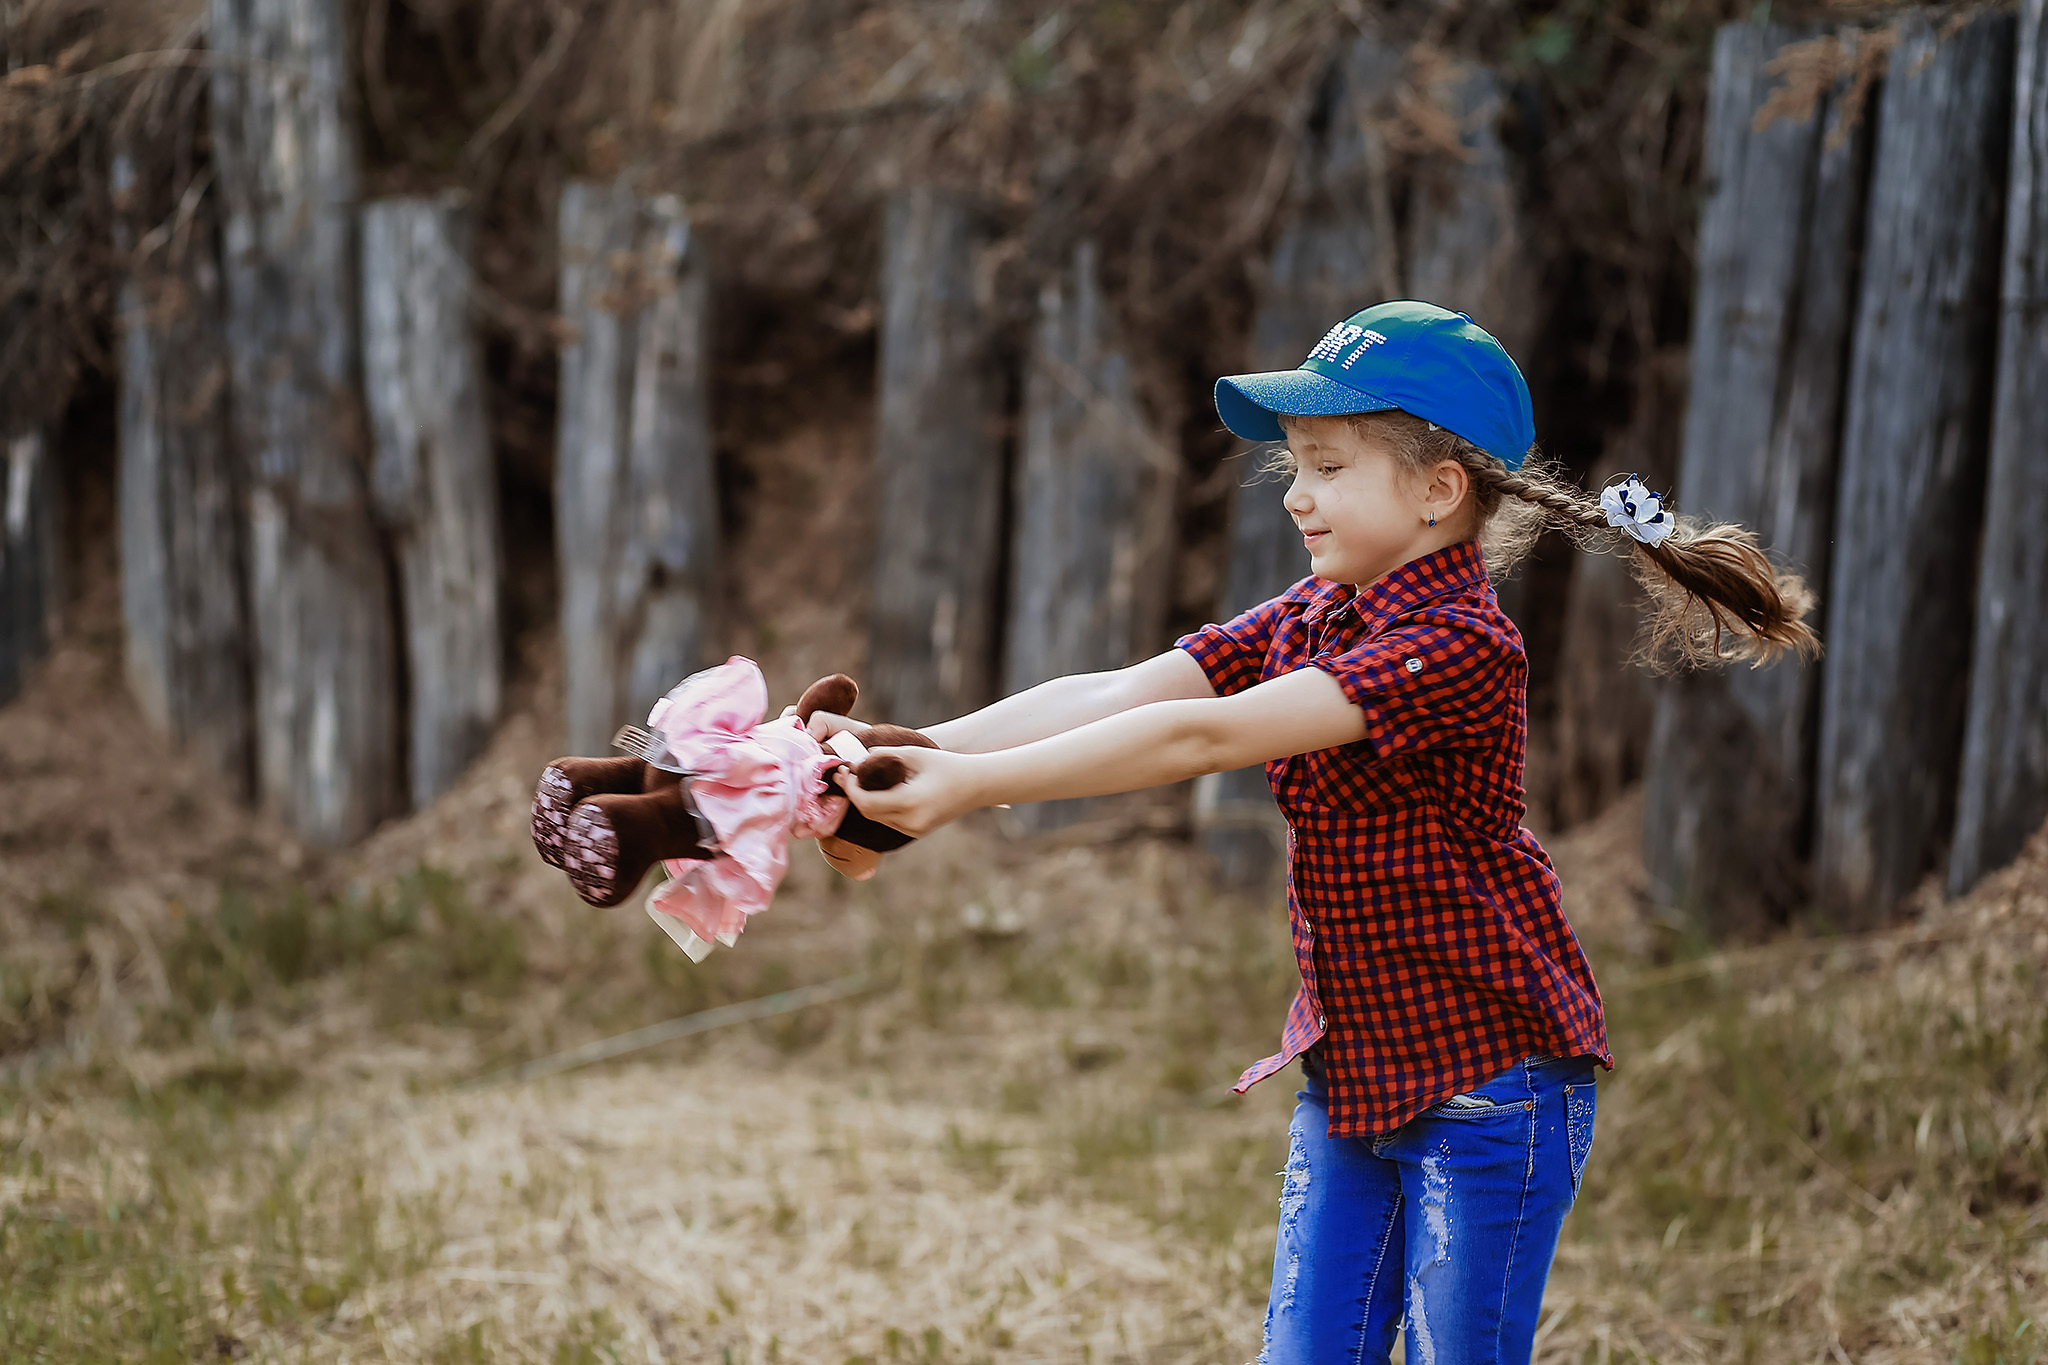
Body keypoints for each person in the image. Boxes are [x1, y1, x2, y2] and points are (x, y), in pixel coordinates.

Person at [809, 300, 1816, 1364]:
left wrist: (965, 789)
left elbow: (1202, 735)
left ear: (1437, 491)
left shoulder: (1456, 645)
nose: (1296, 495)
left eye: (1328, 467)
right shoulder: (1315, 612)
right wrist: (912, 746)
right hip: (1357, 1073)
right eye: (1295, 465)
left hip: (1489, 1092)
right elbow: (1120, 689)